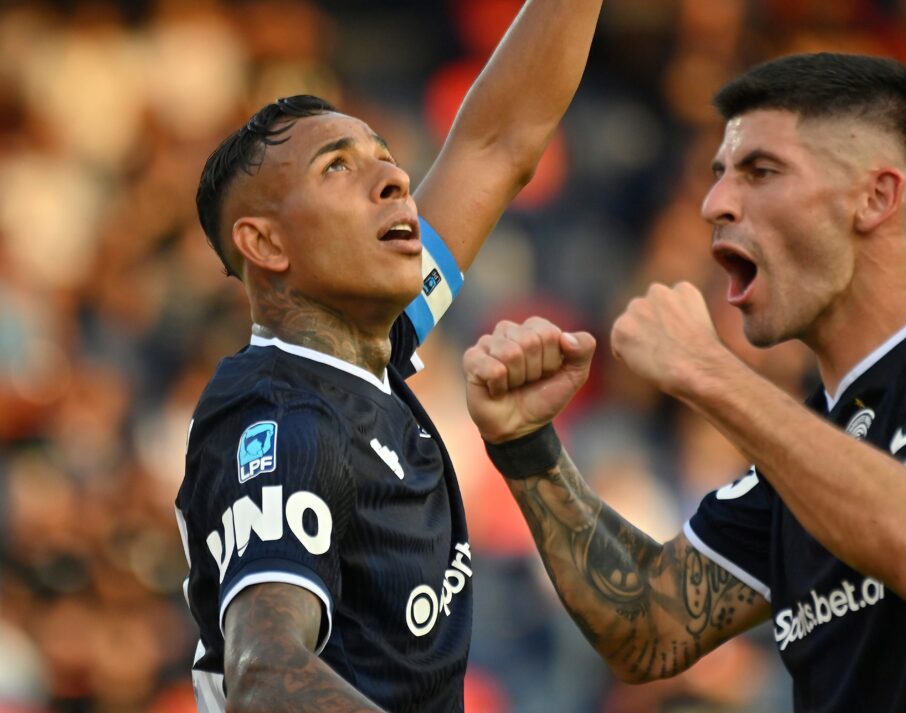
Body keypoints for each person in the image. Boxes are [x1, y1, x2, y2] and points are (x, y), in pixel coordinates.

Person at [462, 53, 906, 712]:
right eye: (720, 174)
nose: (715, 202)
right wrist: (528, 446)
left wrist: (707, 368)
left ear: (876, 197)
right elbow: (647, 627)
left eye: (761, 171)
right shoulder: (811, 454)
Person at [173, 1, 603, 711]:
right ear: (267, 244)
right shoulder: (283, 418)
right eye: (338, 167)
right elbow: (266, 670)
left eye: (386, 157)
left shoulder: (368, 348)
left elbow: (499, 142)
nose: (396, 180)